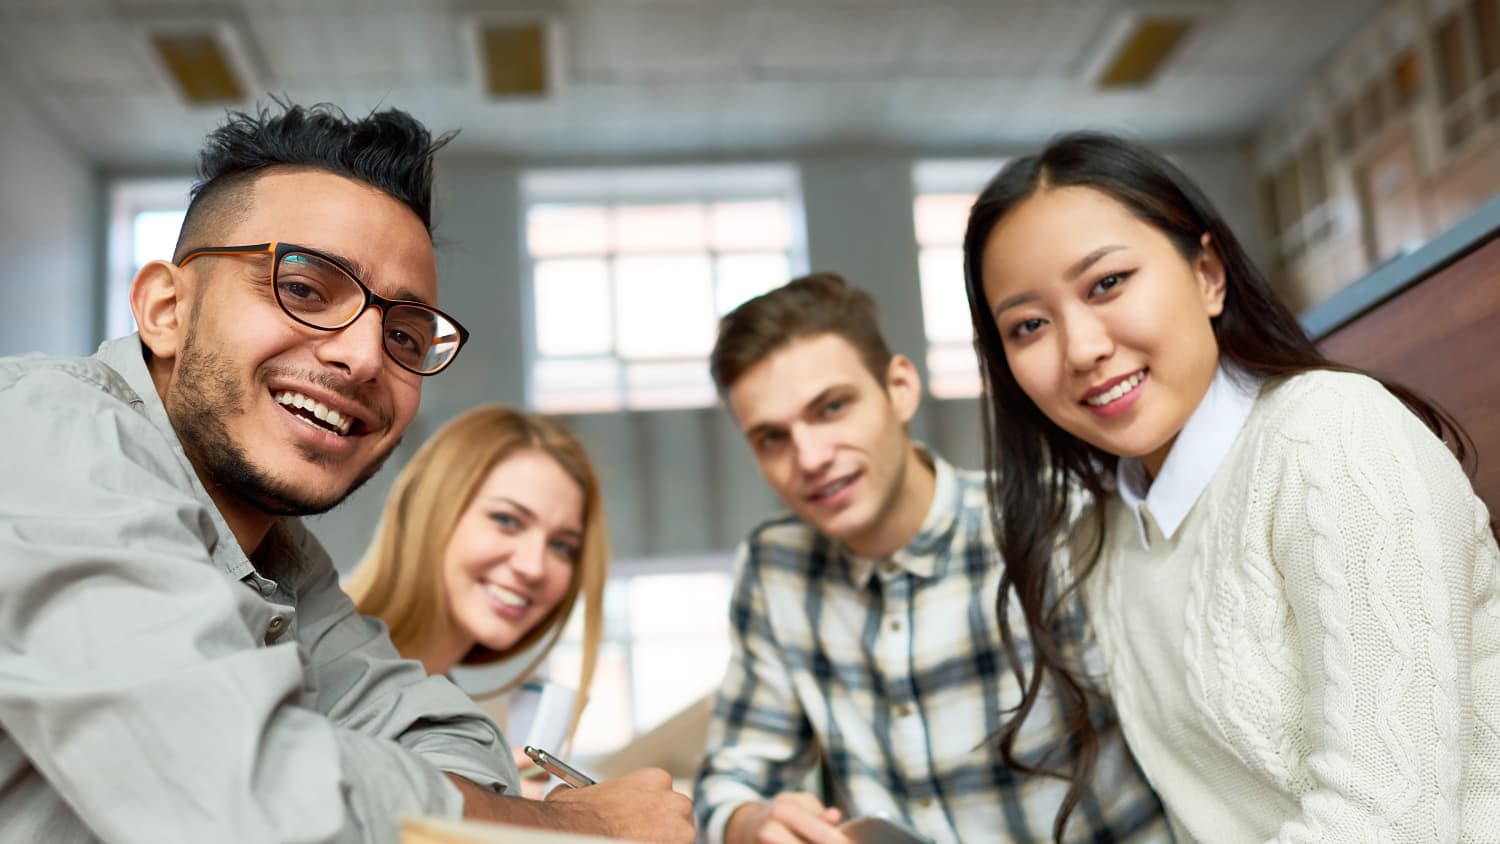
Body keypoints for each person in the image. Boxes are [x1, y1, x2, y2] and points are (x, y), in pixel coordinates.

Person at [0, 100, 691, 844]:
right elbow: (243, 801)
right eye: (303, 288)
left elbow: (464, 752)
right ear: (166, 308)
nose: (364, 357)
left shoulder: (284, 561)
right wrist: (574, 824)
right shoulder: (42, 431)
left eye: (405, 333)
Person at [960, 131, 1500, 842]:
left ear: (1208, 273)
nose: (1082, 348)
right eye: (1029, 325)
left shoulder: (1330, 434)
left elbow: (1396, 819)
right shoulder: (1105, 536)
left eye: (1108, 284)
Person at [692, 272, 1168, 844]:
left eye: (832, 408)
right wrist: (752, 822)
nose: (810, 457)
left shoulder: (1054, 522)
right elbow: (729, 781)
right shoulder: (776, 570)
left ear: (899, 388)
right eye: (772, 438)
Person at [345, 404, 608, 790]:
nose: (534, 567)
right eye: (506, 520)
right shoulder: (311, 662)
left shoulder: (449, 713)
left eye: (562, 546)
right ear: (431, 509)